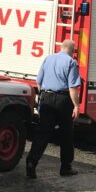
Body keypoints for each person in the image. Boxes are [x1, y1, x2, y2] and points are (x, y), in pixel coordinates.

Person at [26, 39, 81, 179]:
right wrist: (76, 105)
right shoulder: (71, 62)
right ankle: (66, 167)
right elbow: (72, 87)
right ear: (73, 50)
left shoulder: (48, 58)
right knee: (66, 134)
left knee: (42, 133)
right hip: (63, 100)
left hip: (46, 98)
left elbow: (38, 82)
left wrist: (43, 97)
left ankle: (31, 162)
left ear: (61, 48)